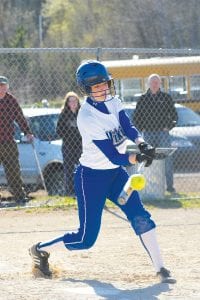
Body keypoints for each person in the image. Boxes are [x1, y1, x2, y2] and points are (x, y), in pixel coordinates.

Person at [29, 61, 176, 284]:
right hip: (91, 179)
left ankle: (161, 268)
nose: (102, 89)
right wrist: (137, 156)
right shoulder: (86, 117)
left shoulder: (114, 101)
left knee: (141, 217)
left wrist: (141, 143)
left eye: (105, 84)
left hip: (115, 175)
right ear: (86, 89)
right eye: (96, 87)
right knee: (86, 239)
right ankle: (39, 250)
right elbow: (113, 155)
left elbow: (128, 127)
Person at [134, 74, 178, 194]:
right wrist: (141, 128)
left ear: (160, 84)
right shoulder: (143, 98)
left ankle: (170, 187)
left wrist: (168, 127)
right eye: (152, 82)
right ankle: (149, 187)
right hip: (147, 133)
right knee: (147, 158)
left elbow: (174, 116)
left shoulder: (166, 97)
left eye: (157, 82)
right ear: (148, 84)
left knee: (167, 159)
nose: (154, 84)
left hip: (163, 134)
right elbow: (136, 117)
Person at [0, 76, 34, 204]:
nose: (2, 88)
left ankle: (19, 196)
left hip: (8, 140)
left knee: (14, 170)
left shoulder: (11, 100)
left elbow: (20, 117)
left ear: (7, 87)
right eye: (0, 86)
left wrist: (28, 132)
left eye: (4, 86)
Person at [56, 91, 82, 196]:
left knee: (82, 168)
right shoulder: (63, 115)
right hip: (68, 146)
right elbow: (59, 130)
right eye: (70, 101)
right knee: (69, 169)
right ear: (67, 103)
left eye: (75, 100)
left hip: (81, 145)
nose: (73, 103)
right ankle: (69, 192)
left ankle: (82, 190)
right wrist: (68, 135)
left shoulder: (82, 113)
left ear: (78, 102)